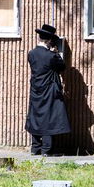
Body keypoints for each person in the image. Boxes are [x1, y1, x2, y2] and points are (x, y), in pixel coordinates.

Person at [26, 24, 72, 155]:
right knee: (48, 117)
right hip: (49, 89)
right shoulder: (51, 56)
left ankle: (35, 148)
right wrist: (56, 53)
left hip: (36, 89)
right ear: (50, 40)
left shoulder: (31, 53)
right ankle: (47, 149)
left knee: (35, 116)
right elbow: (61, 67)